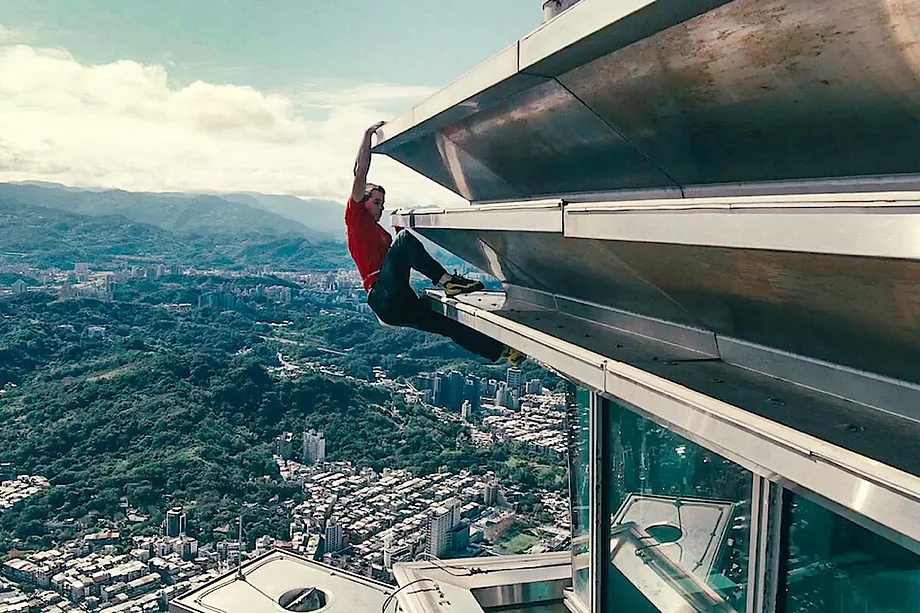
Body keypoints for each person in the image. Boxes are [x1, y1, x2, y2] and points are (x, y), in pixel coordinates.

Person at [346, 121, 525, 366]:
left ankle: (504, 352)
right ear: (362, 201)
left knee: (448, 323)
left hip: (397, 300)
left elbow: (393, 260)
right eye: (376, 202)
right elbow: (360, 171)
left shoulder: (377, 231)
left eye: (382, 203)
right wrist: (367, 135)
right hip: (382, 294)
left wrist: (397, 237)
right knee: (405, 239)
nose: (380, 207)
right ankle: (447, 281)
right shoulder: (355, 219)